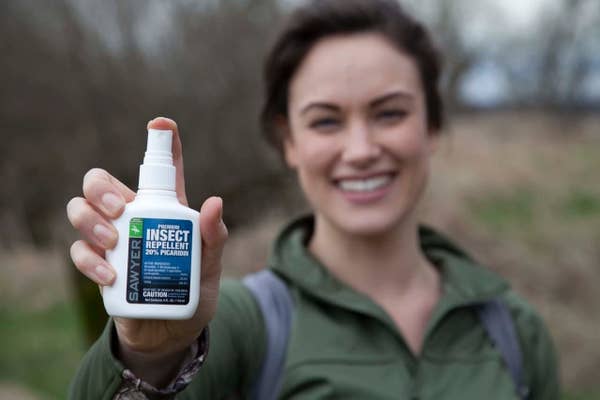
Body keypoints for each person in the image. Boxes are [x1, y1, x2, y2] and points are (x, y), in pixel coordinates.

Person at [66, 0, 560, 398]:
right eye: (326, 120)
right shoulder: (233, 328)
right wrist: (147, 359)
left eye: (389, 113)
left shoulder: (514, 332)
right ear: (288, 141)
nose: (362, 150)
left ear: (431, 126)